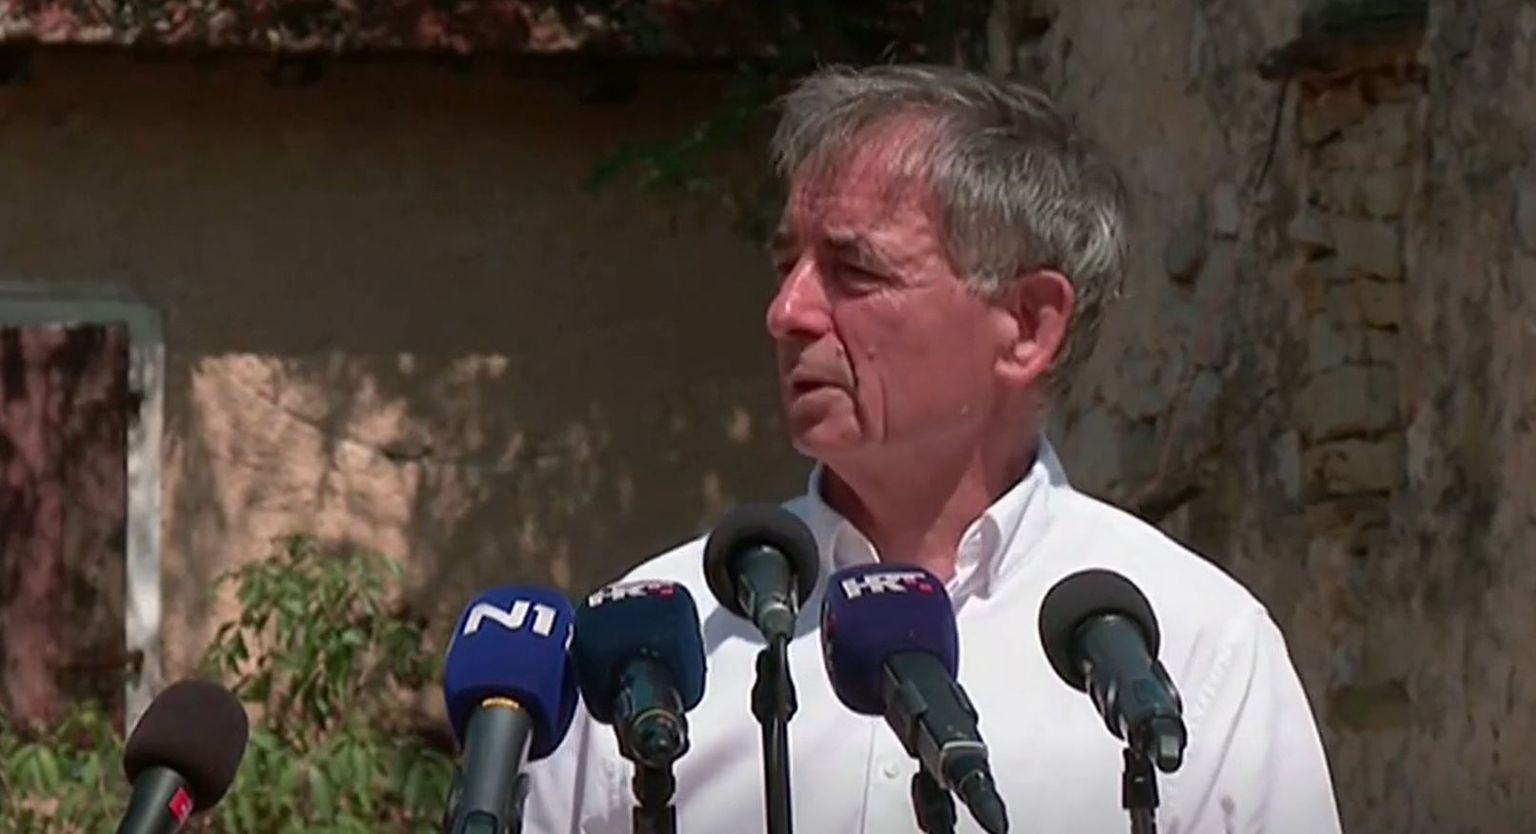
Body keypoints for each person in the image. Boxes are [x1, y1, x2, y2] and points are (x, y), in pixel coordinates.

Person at [522, 63, 1342, 833]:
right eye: (786, 264)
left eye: (854, 271)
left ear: (1027, 326)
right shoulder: (649, 641)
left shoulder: (1198, 647)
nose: (787, 312)